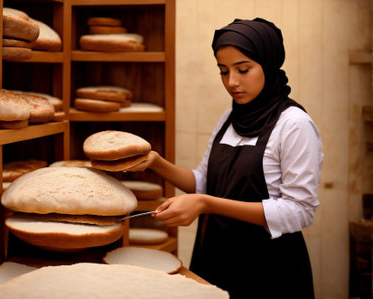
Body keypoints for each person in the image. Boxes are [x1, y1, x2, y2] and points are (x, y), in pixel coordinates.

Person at [127, 18, 323, 299]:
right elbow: (204, 182)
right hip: (215, 259)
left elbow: (300, 211)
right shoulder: (229, 118)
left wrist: (206, 204)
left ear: (268, 64)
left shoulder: (294, 124)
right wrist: (157, 163)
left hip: (268, 271)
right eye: (223, 71)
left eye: (243, 69)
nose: (232, 82)